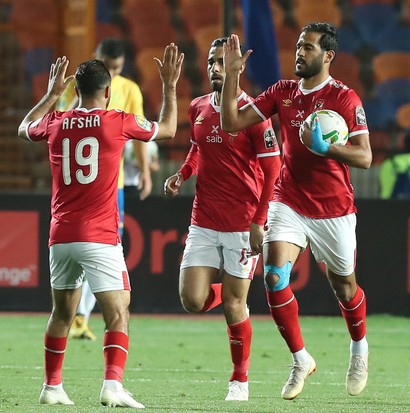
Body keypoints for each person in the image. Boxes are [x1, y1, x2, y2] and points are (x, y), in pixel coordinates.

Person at [18, 44, 184, 407]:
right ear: (108, 92)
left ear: (74, 90)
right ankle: (111, 385)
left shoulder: (56, 121)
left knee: (61, 313)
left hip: (60, 235)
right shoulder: (117, 120)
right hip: (100, 236)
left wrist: (49, 96)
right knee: (119, 310)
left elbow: (22, 128)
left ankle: (51, 387)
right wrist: (169, 85)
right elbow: (169, 128)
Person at [220, 23, 371, 400]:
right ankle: (300, 358)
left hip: (334, 208)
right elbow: (230, 122)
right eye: (298, 46)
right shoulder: (282, 92)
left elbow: (365, 157)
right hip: (288, 201)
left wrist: (327, 148)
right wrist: (232, 77)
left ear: (328, 56)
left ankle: (359, 349)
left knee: (345, 286)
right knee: (273, 276)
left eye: (308, 47)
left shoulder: (345, 98)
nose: (299, 53)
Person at [163, 37, 281, 402]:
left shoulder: (253, 115)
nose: (215, 68)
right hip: (203, 219)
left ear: (238, 67)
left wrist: (259, 220)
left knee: (233, 307)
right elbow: (199, 146)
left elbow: (273, 170)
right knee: (191, 300)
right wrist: (182, 174)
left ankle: (239, 380)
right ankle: (235, 293)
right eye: (212, 62)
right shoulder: (198, 106)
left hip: (243, 224)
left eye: (222, 62)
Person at [55, 38, 152, 341]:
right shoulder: (80, 85)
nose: (113, 70)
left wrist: (145, 172)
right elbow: (64, 117)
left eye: (117, 67)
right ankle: (82, 316)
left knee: (92, 249)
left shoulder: (130, 89)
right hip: (81, 187)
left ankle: (82, 315)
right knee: (99, 249)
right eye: (108, 66)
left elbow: (137, 140)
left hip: (114, 184)